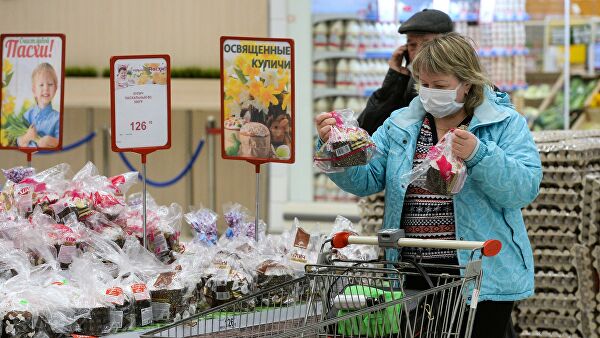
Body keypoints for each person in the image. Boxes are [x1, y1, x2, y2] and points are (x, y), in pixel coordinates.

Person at [315, 33, 541, 338]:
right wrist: (337, 146)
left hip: (480, 275)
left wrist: (479, 154)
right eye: (424, 84)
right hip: (412, 273)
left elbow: (523, 189)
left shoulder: (503, 124)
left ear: (467, 84)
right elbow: (365, 180)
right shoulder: (401, 125)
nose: (430, 93)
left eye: (441, 86)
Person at [357, 9, 453, 135]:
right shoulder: (408, 83)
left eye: (427, 44)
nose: (419, 52)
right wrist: (395, 78)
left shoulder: (460, 83)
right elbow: (367, 129)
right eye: (412, 45)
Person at [17, 63, 60, 148]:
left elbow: (59, 142)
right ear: (34, 90)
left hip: (47, 158)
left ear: (55, 89)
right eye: (41, 85)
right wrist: (27, 137)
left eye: (50, 84)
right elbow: (19, 142)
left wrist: (49, 140)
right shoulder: (27, 115)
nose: (46, 88)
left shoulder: (57, 118)